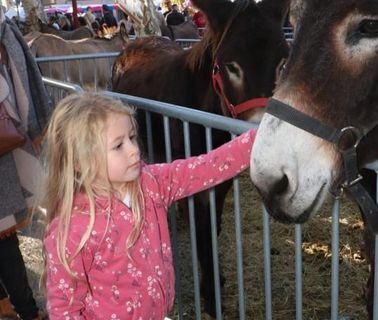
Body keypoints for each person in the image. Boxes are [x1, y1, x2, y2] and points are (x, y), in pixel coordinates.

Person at [41, 93, 256, 319]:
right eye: (118, 145)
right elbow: (64, 308)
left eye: (132, 137)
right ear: (79, 161)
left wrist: (258, 139)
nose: (134, 149)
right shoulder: (74, 230)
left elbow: (205, 167)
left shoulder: (150, 183)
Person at [0, 9, 50, 320]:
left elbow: (19, 84)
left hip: (4, 151)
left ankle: (21, 306)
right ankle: (22, 307)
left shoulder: (5, 31)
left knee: (3, 232)